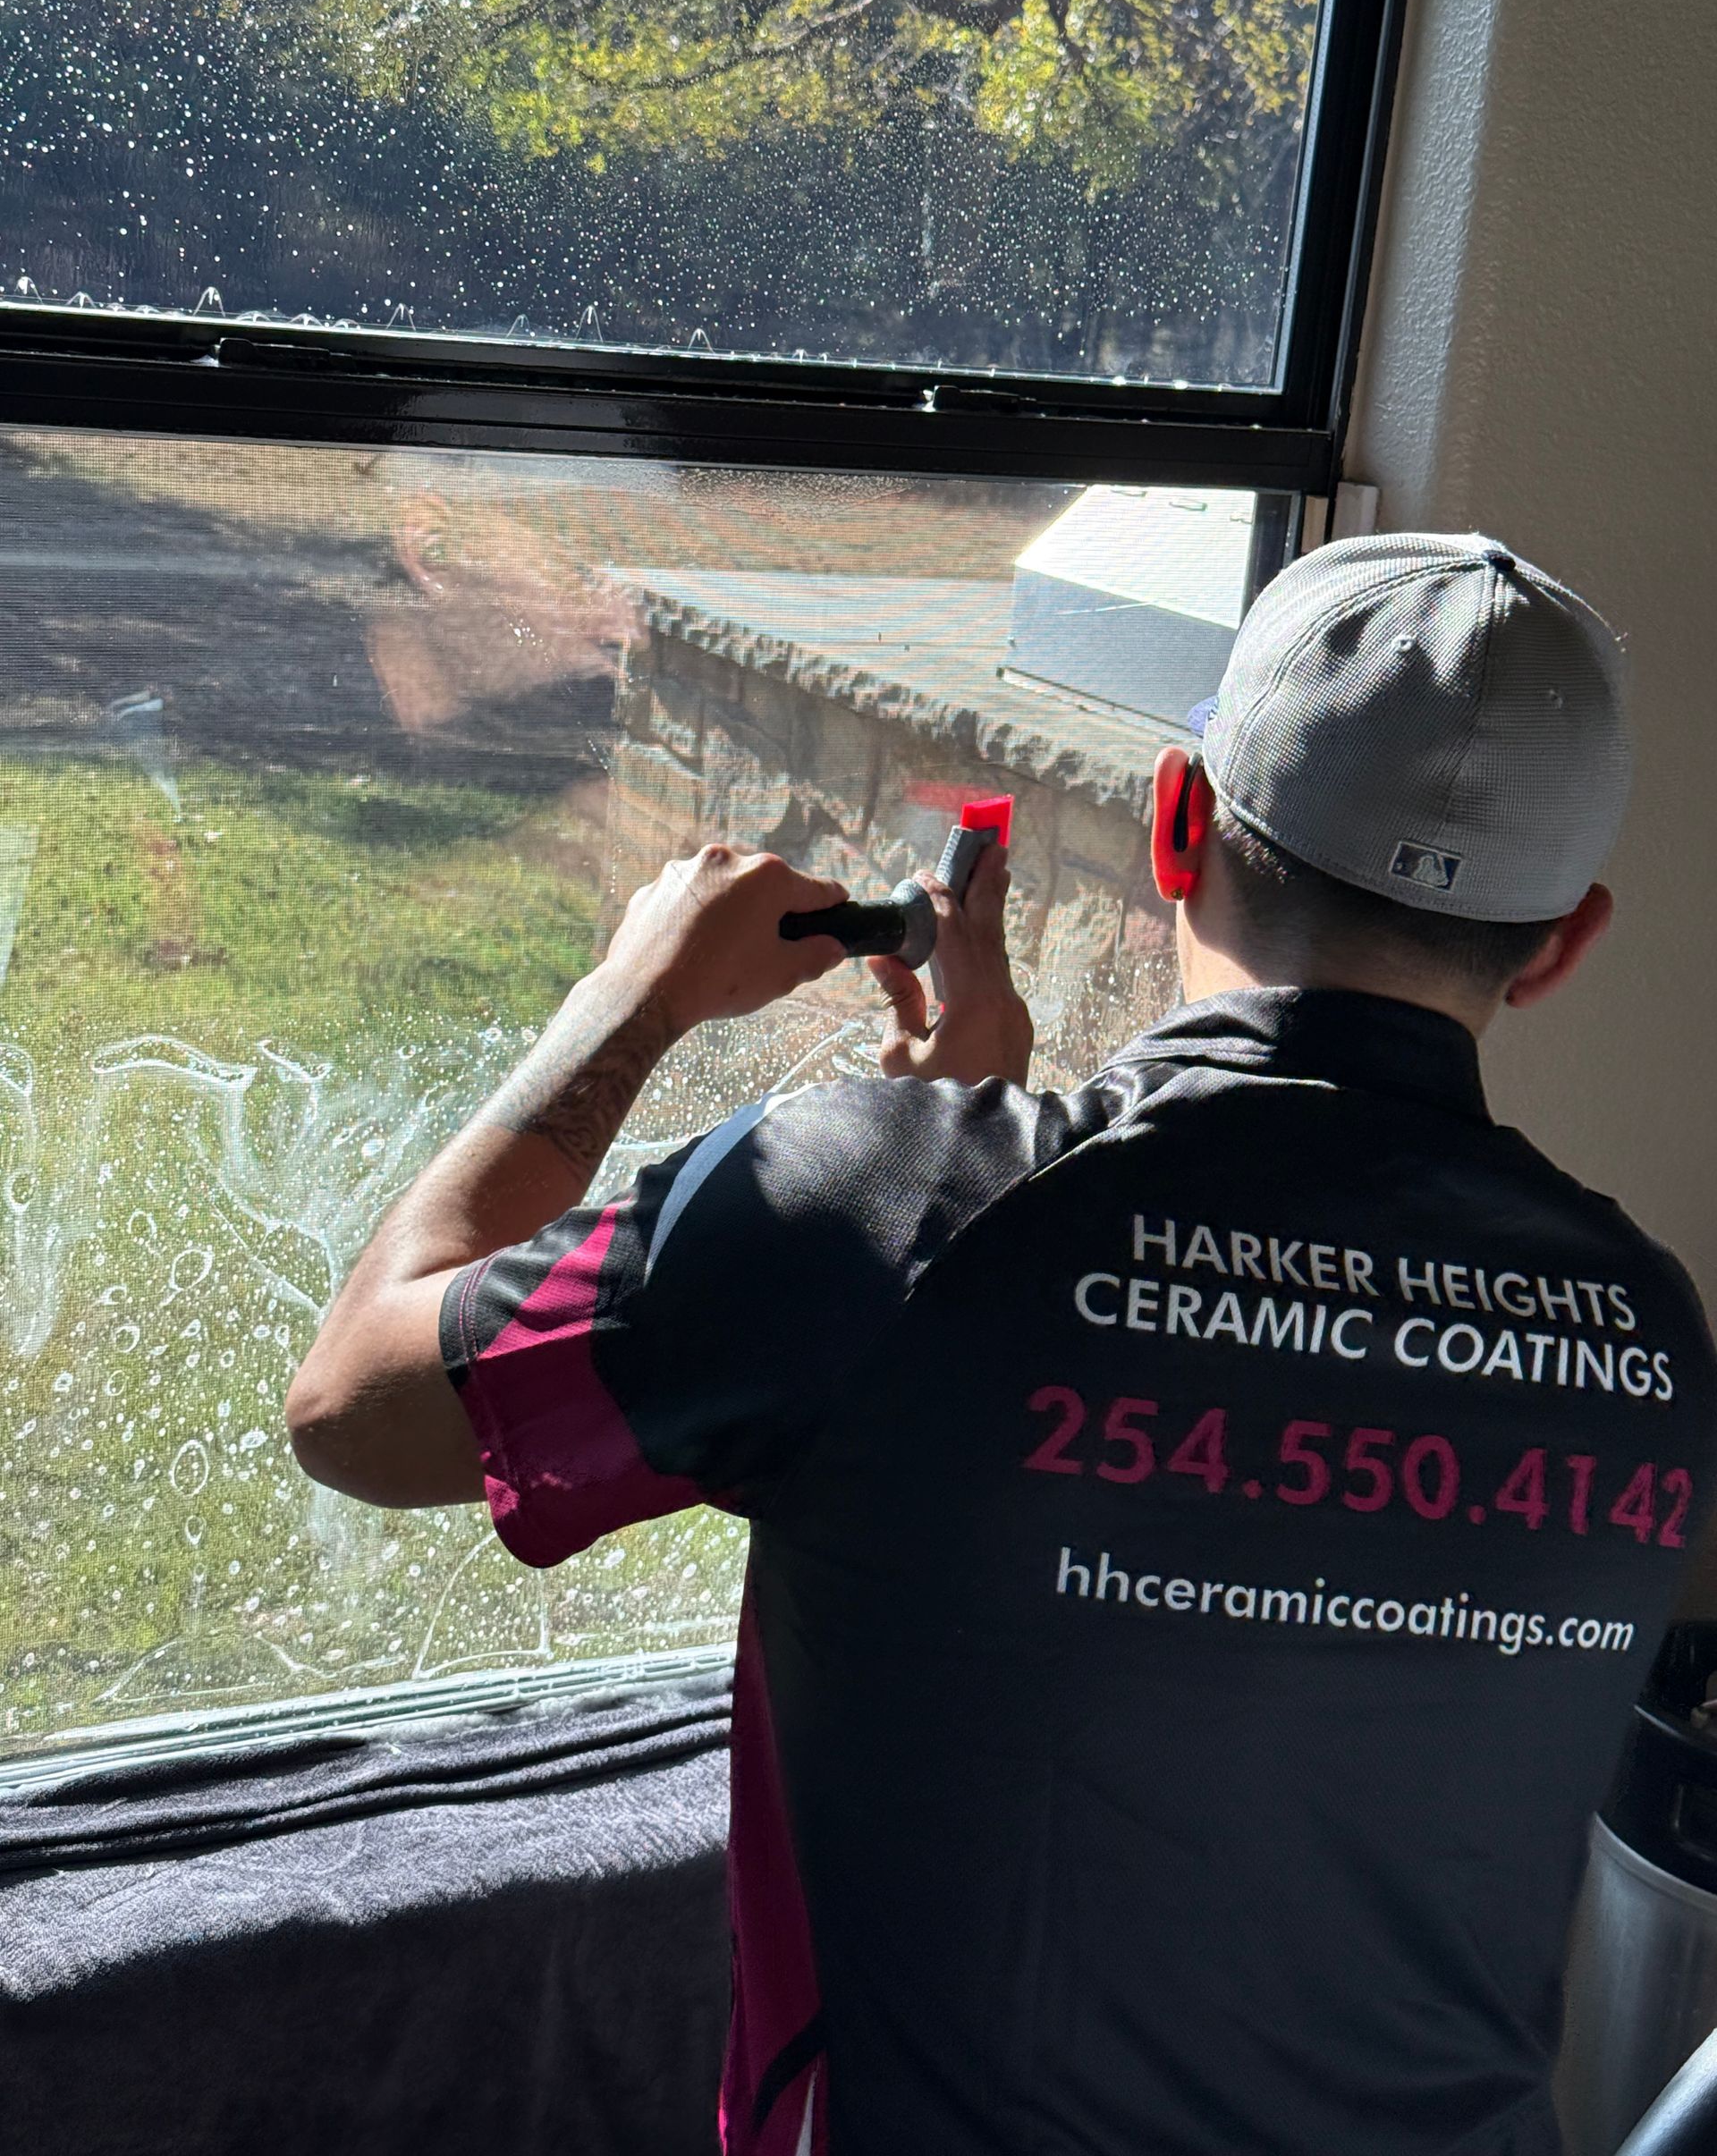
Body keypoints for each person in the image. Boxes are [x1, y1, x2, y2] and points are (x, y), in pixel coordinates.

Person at [285, 532, 1717, 2156]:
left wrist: (633, 1001)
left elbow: (354, 1405)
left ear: (1178, 822)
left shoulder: (883, 1213)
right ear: (1566, 939)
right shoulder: (1650, 1339)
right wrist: (953, 1139)